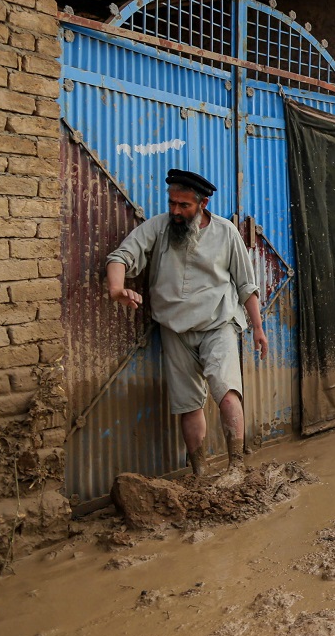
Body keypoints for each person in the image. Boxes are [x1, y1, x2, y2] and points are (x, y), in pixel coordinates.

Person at [105, 169, 268, 475]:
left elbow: (247, 285)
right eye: (173, 204)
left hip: (217, 325)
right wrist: (117, 289)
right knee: (188, 405)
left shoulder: (226, 232)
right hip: (174, 330)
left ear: (203, 203)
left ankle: (236, 468)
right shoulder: (159, 227)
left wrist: (258, 328)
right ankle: (200, 473)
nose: (176, 212)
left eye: (184, 205)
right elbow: (121, 256)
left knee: (227, 393)